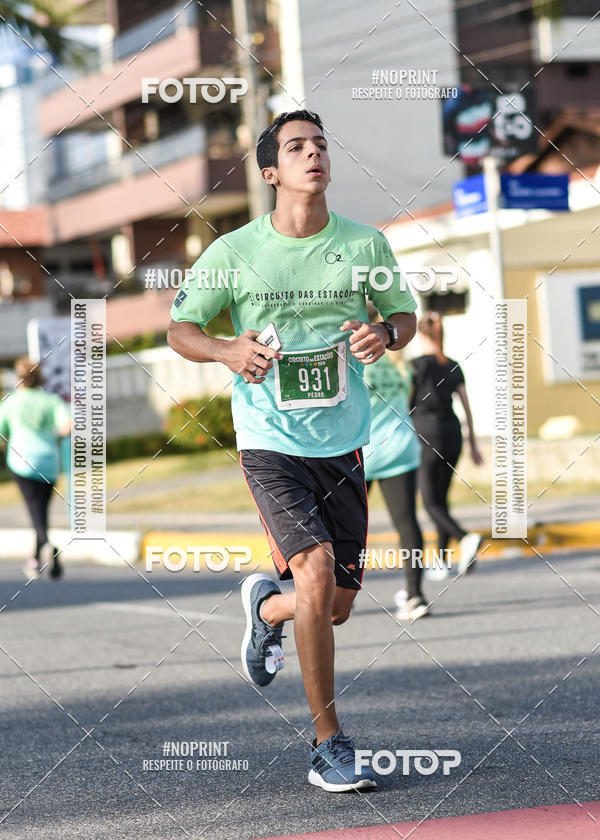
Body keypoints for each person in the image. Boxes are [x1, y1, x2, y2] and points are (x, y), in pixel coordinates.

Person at [167, 109, 417, 792]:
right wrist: (225, 348)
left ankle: (264, 610)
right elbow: (180, 329)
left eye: (321, 145)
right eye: (298, 147)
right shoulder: (235, 252)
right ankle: (328, 744)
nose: (314, 155)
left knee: (333, 603)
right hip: (270, 440)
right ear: (271, 172)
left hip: (343, 442)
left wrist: (387, 335)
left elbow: (403, 315)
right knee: (314, 572)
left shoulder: (364, 244)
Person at [362, 304, 428, 621]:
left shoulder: (359, 360)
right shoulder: (401, 362)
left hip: (363, 452)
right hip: (401, 447)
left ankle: (338, 593)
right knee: (407, 523)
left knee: (347, 526)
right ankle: (415, 595)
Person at [409, 312, 483, 577]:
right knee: (441, 499)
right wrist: (473, 443)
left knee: (430, 502)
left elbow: (406, 404)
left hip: (427, 436)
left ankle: (465, 538)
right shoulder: (452, 365)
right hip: (453, 434)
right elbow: (467, 407)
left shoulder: (415, 366)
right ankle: (440, 561)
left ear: (420, 334)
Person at [0, 356, 70, 580]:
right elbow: (67, 426)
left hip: (21, 463)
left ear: (19, 379)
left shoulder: (11, 402)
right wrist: (54, 436)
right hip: (49, 462)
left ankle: (47, 545)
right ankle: (35, 560)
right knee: (40, 511)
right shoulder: (51, 401)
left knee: (35, 511)